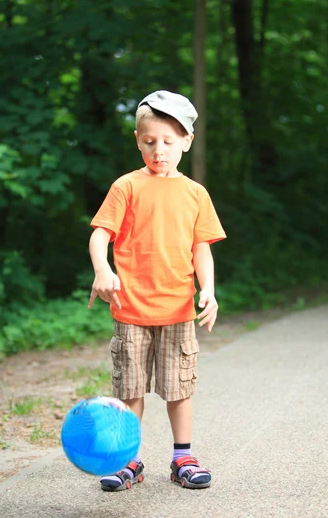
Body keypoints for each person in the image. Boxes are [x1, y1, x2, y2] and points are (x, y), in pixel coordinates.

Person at [88, 90, 226, 491]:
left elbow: (201, 248)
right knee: (130, 389)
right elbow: (101, 235)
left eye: (168, 142)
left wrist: (209, 290)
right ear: (137, 139)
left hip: (178, 309)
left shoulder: (195, 194)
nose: (158, 151)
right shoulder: (126, 187)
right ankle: (128, 460)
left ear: (186, 141)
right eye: (149, 142)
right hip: (130, 309)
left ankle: (182, 456)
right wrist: (102, 269)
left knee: (178, 389)